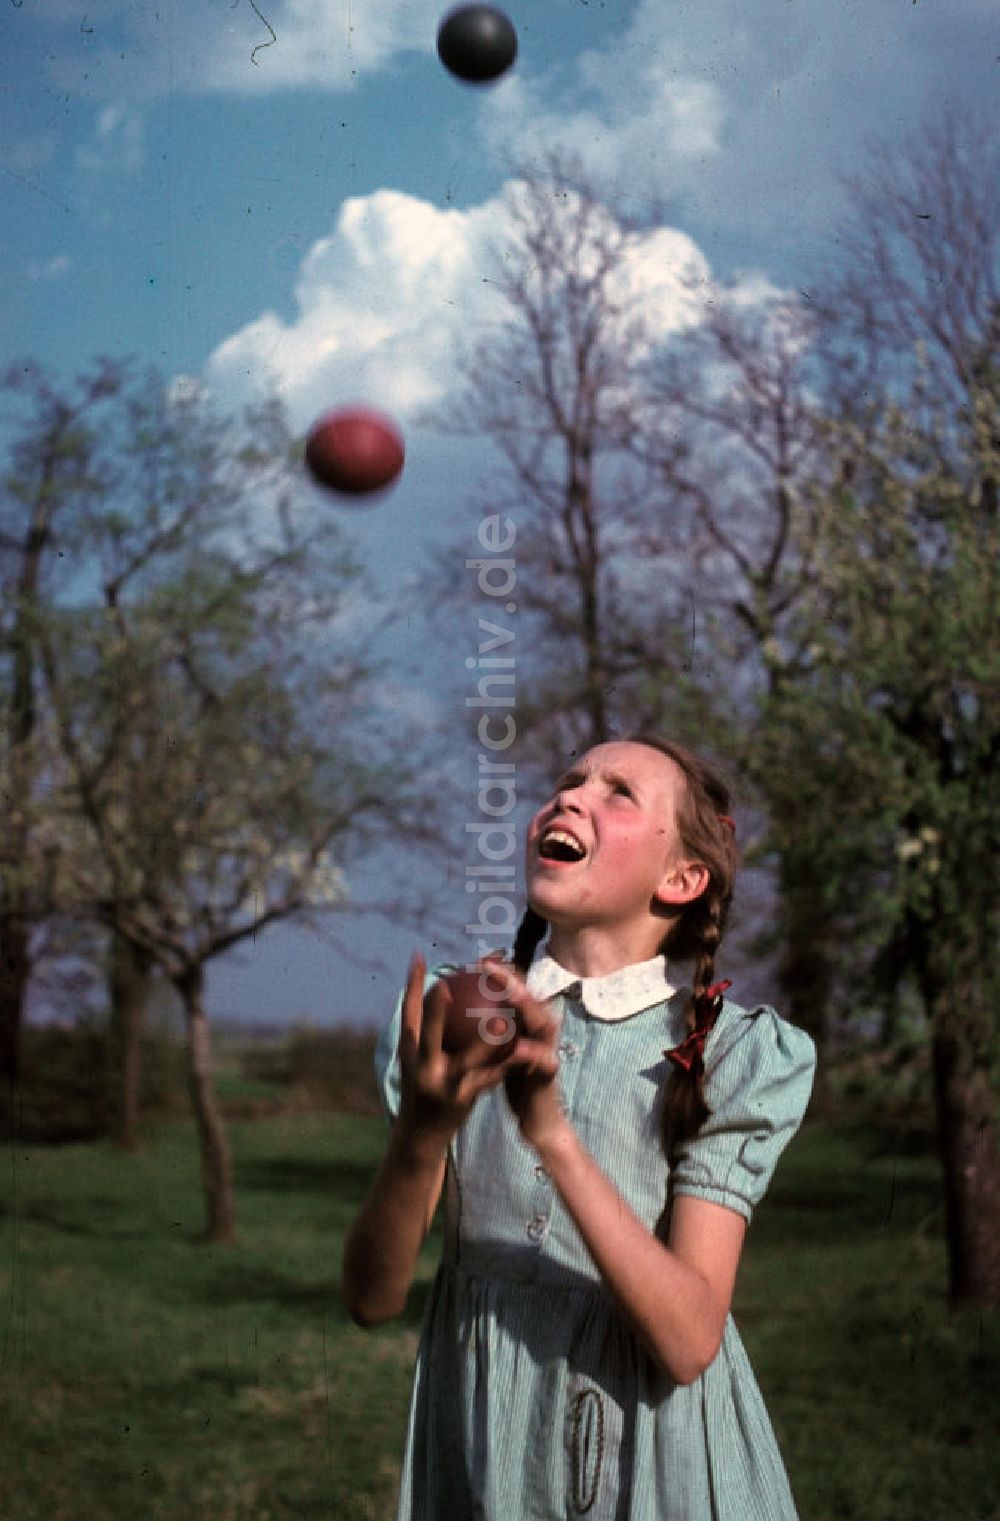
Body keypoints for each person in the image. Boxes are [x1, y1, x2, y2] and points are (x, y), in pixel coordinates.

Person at [342, 734, 816, 1520]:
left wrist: (553, 1137)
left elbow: (689, 1339)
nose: (569, 797)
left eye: (617, 791)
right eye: (568, 781)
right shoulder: (458, 1023)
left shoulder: (732, 1052)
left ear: (683, 878)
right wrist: (422, 1134)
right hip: (480, 1455)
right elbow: (369, 1297)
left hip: (655, 1469)